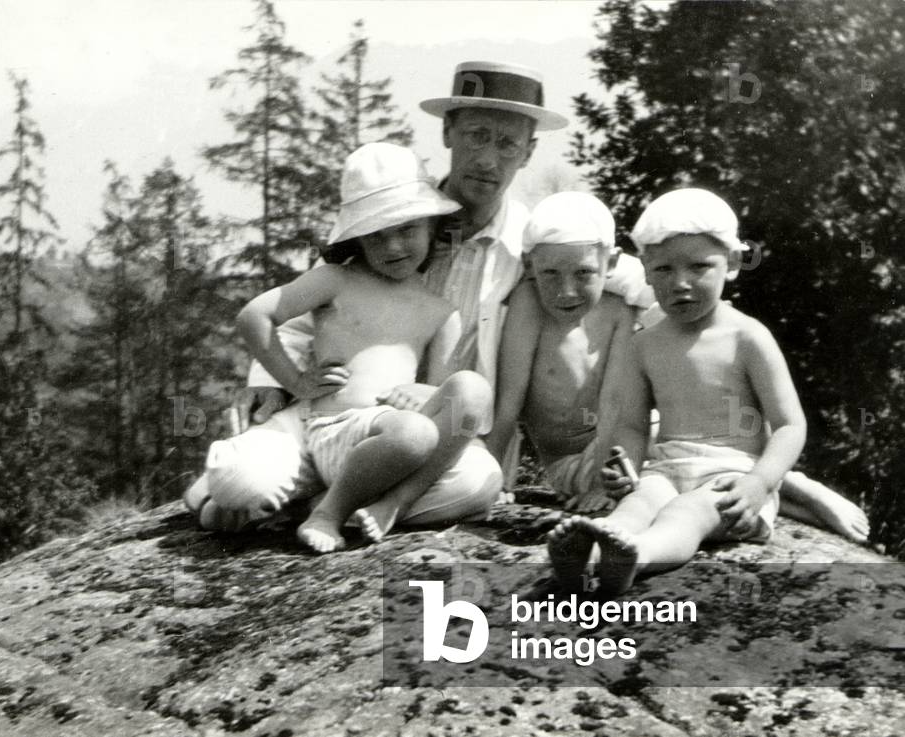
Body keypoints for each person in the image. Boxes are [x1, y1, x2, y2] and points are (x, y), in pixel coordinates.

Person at [185, 61, 652, 534]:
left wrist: (675, 297)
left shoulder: (528, 246)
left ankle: (329, 504)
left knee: (480, 482)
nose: (489, 159)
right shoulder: (388, 215)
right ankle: (279, 491)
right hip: (336, 411)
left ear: (528, 153)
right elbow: (306, 312)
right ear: (448, 133)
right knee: (243, 482)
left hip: (436, 429)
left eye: (507, 143)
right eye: (476, 135)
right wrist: (270, 376)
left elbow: (610, 270)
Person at [546, 188, 857, 595]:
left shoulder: (747, 337)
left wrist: (759, 484)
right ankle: (590, 559)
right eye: (662, 270)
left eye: (698, 267)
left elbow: (789, 425)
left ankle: (637, 555)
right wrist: (625, 468)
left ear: (730, 264)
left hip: (732, 475)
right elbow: (632, 426)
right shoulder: (644, 344)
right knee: (636, 504)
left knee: (687, 514)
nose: (680, 284)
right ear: (646, 269)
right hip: (667, 465)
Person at [236, 142, 490, 553]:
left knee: (473, 396)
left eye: (407, 229)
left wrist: (423, 393)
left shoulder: (442, 312)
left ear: (431, 226)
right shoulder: (335, 279)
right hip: (338, 430)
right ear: (356, 238)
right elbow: (253, 316)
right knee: (413, 433)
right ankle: (328, 513)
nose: (393, 248)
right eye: (377, 235)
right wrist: (296, 382)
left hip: (394, 437)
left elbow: (441, 390)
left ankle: (393, 501)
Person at [487, 192, 636, 513]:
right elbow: (509, 398)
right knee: (639, 481)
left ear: (610, 263)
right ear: (529, 266)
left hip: (619, 447)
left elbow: (615, 401)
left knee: (655, 453)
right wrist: (493, 478)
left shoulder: (621, 311)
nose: (566, 291)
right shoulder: (528, 302)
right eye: (550, 274)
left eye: (583, 273)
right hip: (568, 463)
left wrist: (602, 479)